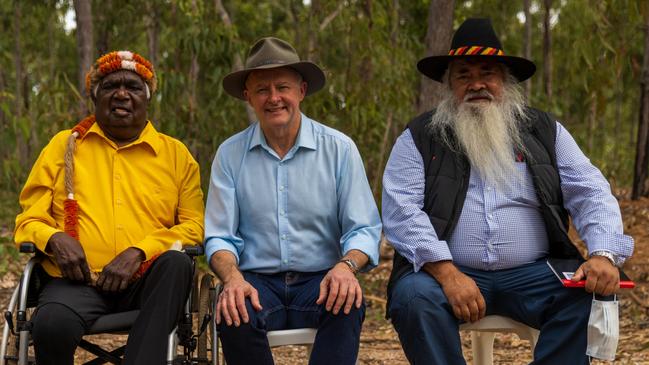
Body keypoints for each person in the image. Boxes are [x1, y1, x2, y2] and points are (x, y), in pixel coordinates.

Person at [382, 18, 634, 364]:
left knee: (586, 295)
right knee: (413, 298)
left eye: (487, 73)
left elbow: (591, 191)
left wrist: (603, 253)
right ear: (448, 84)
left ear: (505, 81)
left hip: (534, 272)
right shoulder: (420, 137)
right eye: (464, 75)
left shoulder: (545, 131)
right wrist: (447, 272)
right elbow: (401, 210)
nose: (477, 84)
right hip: (447, 272)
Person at [14, 50, 205, 364]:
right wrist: (55, 239)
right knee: (50, 326)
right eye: (110, 86)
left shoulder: (176, 155)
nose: (121, 94)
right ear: (94, 97)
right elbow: (28, 218)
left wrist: (139, 252)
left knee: (177, 263)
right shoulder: (64, 146)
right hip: (77, 282)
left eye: (132, 87)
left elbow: (193, 227)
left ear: (146, 98)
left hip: (147, 285)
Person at [204, 37, 381, 365]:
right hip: (256, 282)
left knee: (348, 301)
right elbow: (219, 235)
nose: (273, 98)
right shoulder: (230, 155)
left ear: (301, 90)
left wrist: (346, 267)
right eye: (262, 90)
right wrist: (232, 279)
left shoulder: (339, 149)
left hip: (322, 279)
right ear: (248, 97)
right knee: (232, 308)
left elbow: (364, 227)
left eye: (282, 87)